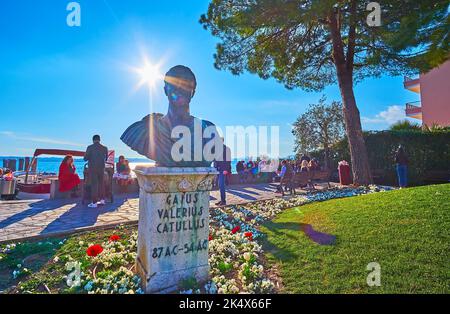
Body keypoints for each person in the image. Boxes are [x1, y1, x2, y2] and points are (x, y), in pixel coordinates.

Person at [121, 65, 222, 167]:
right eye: (174, 84)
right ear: (165, 90)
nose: (180, 89)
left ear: (193, 93)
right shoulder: (143, 130)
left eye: (186, 85)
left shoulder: (209, 131)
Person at [84, 135, 108, 208]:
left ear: (93, 140)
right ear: (99, 140)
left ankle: (94, 202)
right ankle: (102, 200)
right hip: (101, 168)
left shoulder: (90, 147)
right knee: (101, 184)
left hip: (93, 168)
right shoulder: (105, 148)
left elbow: (85, 158)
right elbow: (106, 158)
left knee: (94, 185)